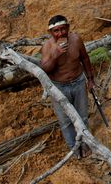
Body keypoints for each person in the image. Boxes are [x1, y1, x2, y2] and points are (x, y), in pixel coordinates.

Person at [40, 15, 95, 154]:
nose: (60, 33)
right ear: (51, 33)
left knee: (82, 117)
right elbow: (45, 69)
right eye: (56, 31)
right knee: (65, 122)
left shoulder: (76, 40)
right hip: (59, 87)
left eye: (63, 29)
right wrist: (55, 55)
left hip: (78, 82)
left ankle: (86, 147)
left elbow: (85, 59)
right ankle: (74, 151)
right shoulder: (47, 46)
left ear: (68, 28)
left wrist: (90, 79)